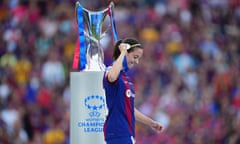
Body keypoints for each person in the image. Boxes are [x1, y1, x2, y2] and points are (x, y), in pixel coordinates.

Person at [103, 38, 163, 144]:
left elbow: (130, 109)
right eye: (135, 57)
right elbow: (111, 77)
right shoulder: (112, 71)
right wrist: (122, 53)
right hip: (117, 132)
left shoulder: (125, 77)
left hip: (127, 132)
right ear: (125, 53)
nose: (137, 61)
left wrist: (151, 123)